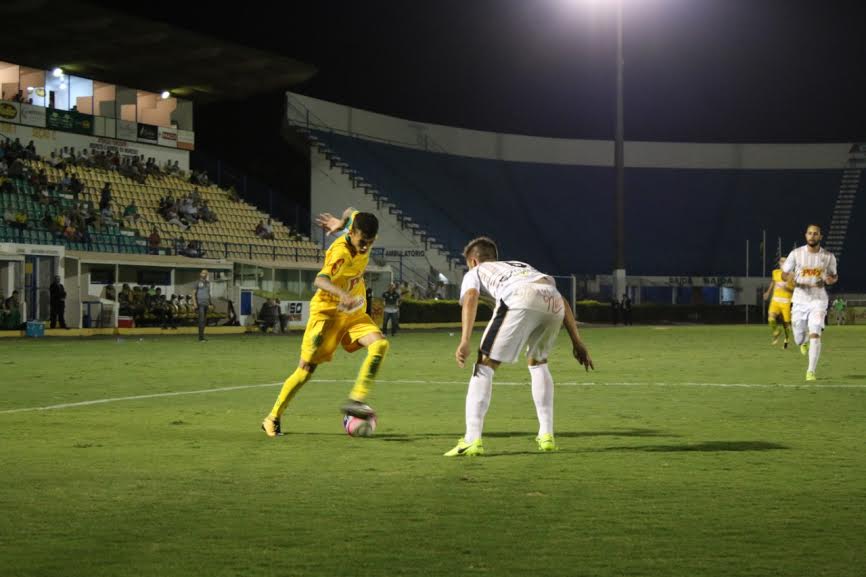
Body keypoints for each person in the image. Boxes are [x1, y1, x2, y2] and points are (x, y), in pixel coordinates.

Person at [445, 237, 593, 457]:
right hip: (552, 299)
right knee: (538, 362)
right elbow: (561, 299)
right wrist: (577, 341)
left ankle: (471, 439)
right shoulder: (520, 266)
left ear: (473, 261)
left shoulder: (476, 272)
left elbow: (471, 296)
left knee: (484, 364)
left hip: (520, 296)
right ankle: (546, 435)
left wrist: (465, 340)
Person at [261, 208, 389, 437]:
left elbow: (352, 210)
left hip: (352, 313)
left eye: (369, 243)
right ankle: (272, 418)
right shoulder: (340, 253)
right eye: (362, 242)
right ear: (352, 233)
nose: (365, 248)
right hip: (327, 314)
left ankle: (356, 399)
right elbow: (320, 280)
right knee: (305, 370)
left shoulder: (358, 225)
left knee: (380, 344)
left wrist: (341, 221)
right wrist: (342, 294)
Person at [781, 224, 838, 381]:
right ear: (806, 235)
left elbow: (834, 276)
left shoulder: (828, 257)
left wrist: (829, 280)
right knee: (798, 338)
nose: (812, 236)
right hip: (799, 299)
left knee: (815, 333)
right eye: (810, 233)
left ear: (820, 236)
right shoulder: (796, 254)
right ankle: (803, 341)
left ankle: (811, 371)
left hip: (818, 300)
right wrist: (790, 278)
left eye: (815, 234)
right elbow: (783, 274)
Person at [763, 257, 795, 347]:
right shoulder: (775, 272)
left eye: (784, 262)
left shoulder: (792, 275)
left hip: (786, 302)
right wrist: (768, 292)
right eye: (781, 262)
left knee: (786, 323)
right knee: (771, 317)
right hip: (775, 300)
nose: (782, 263)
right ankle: (776, 331)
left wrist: (788, 289)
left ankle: (786, 339)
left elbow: (795, 290)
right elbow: (773, 282)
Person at [192, 269, 212, 342]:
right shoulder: (197, 282)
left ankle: (202, 337)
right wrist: (194, 303)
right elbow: (193, 293)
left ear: (207, 275)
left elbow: (208, 294)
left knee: (204, 321)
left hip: (206, 304)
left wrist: (210, 303)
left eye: (206, 273)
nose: (204, 274)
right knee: (201, 320)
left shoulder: (208, 283)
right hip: (200, 304)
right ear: (200, 274)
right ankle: (200, 338)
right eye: (203, 273)